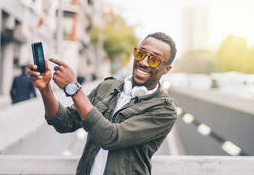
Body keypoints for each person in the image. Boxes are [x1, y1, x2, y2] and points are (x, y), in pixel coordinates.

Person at [28, 32, 177, 175]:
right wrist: (45, 89)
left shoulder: (164, 110)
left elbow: (110, 137)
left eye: (153, 60)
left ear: (167, 69)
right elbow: (64, 122)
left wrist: (74, 88)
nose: (143, 62)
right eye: (141, 54)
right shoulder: (107, 87)